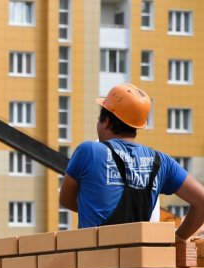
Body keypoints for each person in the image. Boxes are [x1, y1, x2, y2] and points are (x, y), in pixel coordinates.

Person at [59, 83, 204, 250]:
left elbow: (66, 199)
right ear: (136, 125)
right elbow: (201, 201)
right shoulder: (161, 162)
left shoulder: (89, 151)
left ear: (106, 121)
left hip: (95, 265)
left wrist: (93, 204)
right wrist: (177, 239)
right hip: (138, 266)